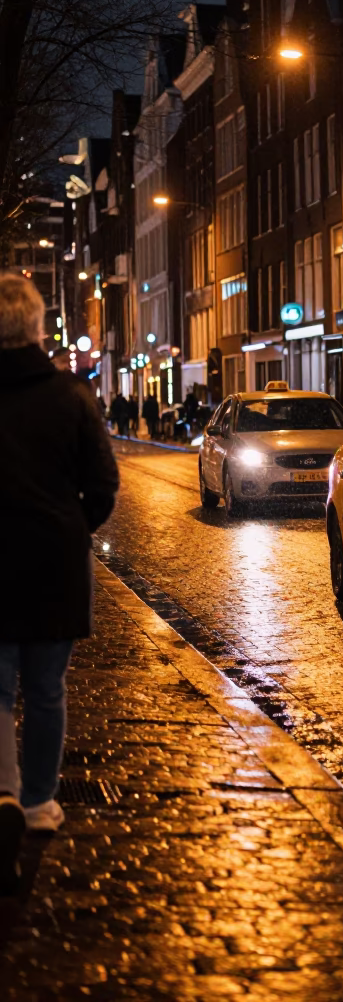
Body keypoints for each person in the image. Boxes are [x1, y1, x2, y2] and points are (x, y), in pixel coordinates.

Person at [0, 273, 119, 894]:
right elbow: (103, 486)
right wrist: (73, 528)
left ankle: (3, 793)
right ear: (37, 325)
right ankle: (41, 802)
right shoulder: (71, 396)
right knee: (46, 689)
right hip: (53, 565)